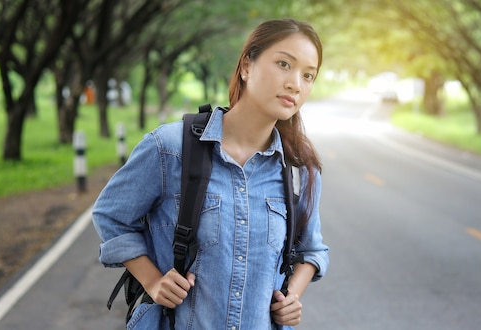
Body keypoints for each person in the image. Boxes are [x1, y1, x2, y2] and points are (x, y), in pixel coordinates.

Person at [92, 18, 329, 330]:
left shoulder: (299, 171)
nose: (295, 83)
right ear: (247, 66)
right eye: (284, 64)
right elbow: (111, 215)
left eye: (308, 75)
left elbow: (312, 250)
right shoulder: (170, 148)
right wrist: (152, 281)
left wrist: (291, 297)